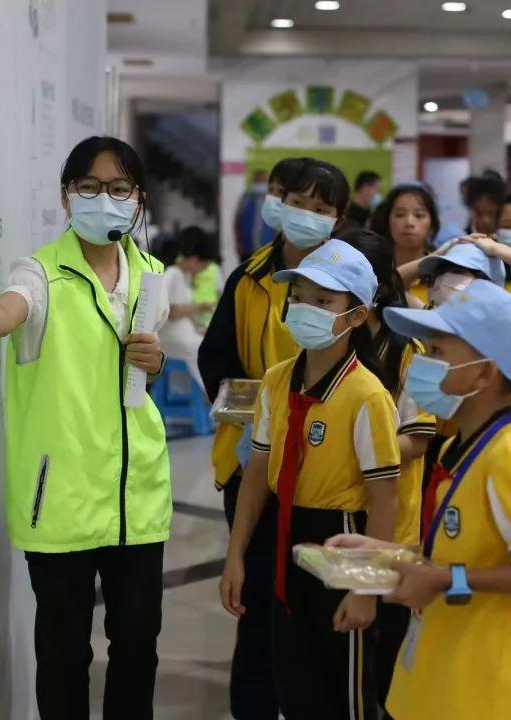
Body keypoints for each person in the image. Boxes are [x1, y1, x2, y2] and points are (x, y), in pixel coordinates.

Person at [0, 136, 170, 720]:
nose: (104, 199)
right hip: (60, 496)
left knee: (137, 645)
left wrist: (156, 362)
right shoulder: (41, 272)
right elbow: (11, 307)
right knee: (64, 650)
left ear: (137, 200)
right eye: (89, 187)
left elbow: (143, 369)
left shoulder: (151, 276)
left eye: (119, 189)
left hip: (137, 494)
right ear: (67, 196)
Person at [331, 280, 511, 720]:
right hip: (439, 677)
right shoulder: (456, 448)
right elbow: (456, 556)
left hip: (483, 693)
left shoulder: (508, 457)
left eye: (438, 352)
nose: (423, 362)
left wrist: (444, 580)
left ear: (484, 373)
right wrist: (386, 554)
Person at [219, 240, 401, 720]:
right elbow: (258, 473)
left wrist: (365, 588)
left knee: (346, 696)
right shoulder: (278, 381)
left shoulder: (367, 395)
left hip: (343, 539)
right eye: (299, 297)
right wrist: (236, 556)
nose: (306, 309)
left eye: (325, 302)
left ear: (357, 316)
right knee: (295, 687)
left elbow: (385, 499)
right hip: (285, 538)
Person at [199, 158, 351, 720]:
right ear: (274, 200)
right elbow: (216, 357)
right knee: (259, 598)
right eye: (296, 201)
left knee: (320, 603)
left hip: (331, 467)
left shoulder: (356, 278)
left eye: (320, 207)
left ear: (338, 218)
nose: (306, 216)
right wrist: (244, 399)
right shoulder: (249, 277)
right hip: (252, 463)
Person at [339, 228, 436, 714]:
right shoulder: (331, 345)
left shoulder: (409, 351)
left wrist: (352, 448)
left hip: (392, 522)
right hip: (337, 519)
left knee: (384, 664)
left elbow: (417, 440)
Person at [160, 227, 217, 391]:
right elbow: (173, 312)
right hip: (168, 336)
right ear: (194, 260)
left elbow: (182, 310)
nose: (203, 269)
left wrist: (198, 327)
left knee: (208, 343)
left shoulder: (183, 277)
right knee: (203, 348)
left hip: (179, 332)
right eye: (204, 265)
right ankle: (209, 390)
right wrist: (200, 306)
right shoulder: (173, 274)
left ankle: (209, 388)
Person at [371, 183, 441, 306]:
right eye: (400, 215)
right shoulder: (371, 268)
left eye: (419, 215)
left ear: (432, 225)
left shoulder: (443, 271)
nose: (409, 223)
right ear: (387, 221)